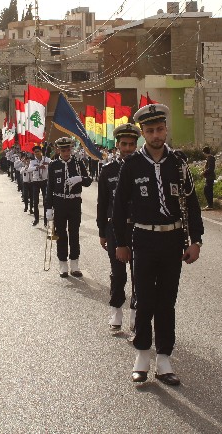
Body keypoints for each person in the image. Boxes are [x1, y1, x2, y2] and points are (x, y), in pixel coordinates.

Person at [112, 104, 203, 386]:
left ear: (166, 130)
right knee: (145, 300)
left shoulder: (178, 162)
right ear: (143, 133)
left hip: (172, 239)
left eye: (159, 129)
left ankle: (164, 359)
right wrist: (121, 243)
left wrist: (195, 240)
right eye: (150, 130)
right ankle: (142, 356)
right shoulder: (131, 165)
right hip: (144, 238)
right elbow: (117, 208)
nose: (155, 135)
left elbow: (192, 202)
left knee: (167, 300)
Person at [97, 123, 140, 331]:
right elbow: (102, 203)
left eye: (132, 144)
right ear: (118, 145)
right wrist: (101, 231)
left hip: (139, 228)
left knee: (138, 274)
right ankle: (116, 309)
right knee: (118, 273)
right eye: (124, 144)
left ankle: (135, 312)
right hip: (115, 229)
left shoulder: (144, 167)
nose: (128, 149)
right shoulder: (108, 170)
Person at [45, 137, 93, 278]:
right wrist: (49, 208)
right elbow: (50, 188)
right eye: (63, 150)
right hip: (60, 202)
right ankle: (63, 264)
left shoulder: (78, 163)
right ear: (58, 150)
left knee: (74, 233)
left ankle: (74, 264)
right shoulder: (53, 165)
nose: (66, 153)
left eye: (68, 149)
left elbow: (88, 181)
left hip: (74, 203)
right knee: (61, 234)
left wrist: (79, 178)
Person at [28, 145, 51, 226]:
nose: (37, 153)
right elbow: (29, 169)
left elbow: (52, 165)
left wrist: (46, 165)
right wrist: (37, 167)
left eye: (38, 151)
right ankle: (36, 219)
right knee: (35, 202)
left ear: (41, 151)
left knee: (46, 202)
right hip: (36, 182)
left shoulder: (46, 159)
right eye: (35, 152)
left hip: (44, 182)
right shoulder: (32, 161)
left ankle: (45, 220)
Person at [201, 146, 216, 210]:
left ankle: (210, 205)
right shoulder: (209, 158)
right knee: (208, 190)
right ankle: (210, 205)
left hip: (210, 177)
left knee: (207, 191)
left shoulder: (210, 158)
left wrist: (203, 172)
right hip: (209, 177)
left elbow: (210, 169)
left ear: (204, 152)